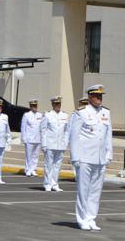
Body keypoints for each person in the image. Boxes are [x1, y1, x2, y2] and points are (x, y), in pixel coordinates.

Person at [70, 84, 113, 231]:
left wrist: (109, 154)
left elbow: (108, 135)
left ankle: (91, 218)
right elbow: (74, 136)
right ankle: (82, 219)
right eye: (96, 96)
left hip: (100, 157)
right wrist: (75, 157)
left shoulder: (106, 113)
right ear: (89, 97)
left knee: (96, 190)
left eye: (101, 96)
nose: (99, 98)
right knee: (83, 189)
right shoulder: (81, 112)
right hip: (85, 156)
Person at [40, 96, 69, 192]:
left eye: (59, 104)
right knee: (49, 165)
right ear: (52, 105)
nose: (58, 106)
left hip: (60, 144)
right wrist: (44, 144)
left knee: (57, 166)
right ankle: (47, 184)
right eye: (56, 104)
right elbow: (43, 130)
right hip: (50, 144)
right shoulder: (47, 115)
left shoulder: (65, 115)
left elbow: (66, 131)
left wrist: (65, 143)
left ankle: (54, 184)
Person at [21, 99, 43, 177]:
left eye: (36, 106)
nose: (35, 107)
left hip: (38, 138)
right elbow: (23, 127)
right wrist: (24, 138)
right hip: (29, 139)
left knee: (35, 156)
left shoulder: (40, 115)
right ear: (30, 107)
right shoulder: (26, 115)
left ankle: (33, 169)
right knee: (29, 155)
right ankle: (27, 170)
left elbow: (42, 127)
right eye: (33, 106)